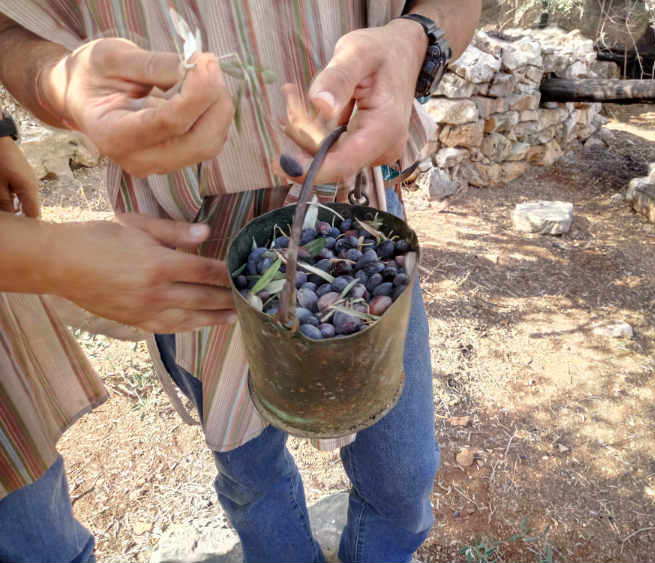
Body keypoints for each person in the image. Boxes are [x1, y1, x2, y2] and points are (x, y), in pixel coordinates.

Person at [0, 2, 481, 562]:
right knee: (250, 474)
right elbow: (10, 26)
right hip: (190, 229)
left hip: (356, 208)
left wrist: (412, 39)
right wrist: (57, 84)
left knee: (403, 479)